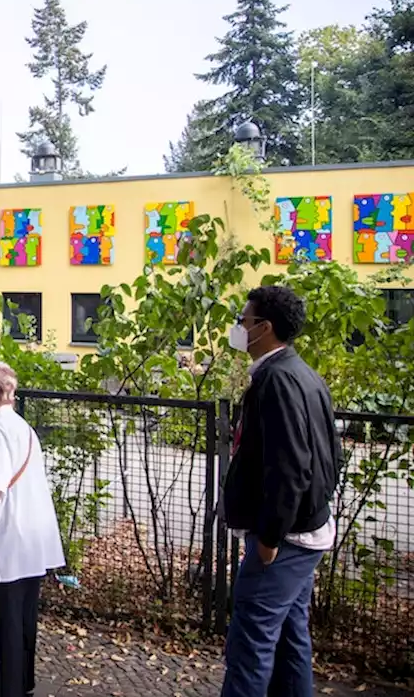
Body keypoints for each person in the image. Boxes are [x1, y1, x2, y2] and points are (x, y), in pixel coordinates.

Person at [221, 285, 342, 697]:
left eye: (244, 321)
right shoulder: (303, 374)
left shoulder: (277, 380)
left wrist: (271, 537)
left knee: (250, 646)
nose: (239, 328)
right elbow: (330, 453)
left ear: (264, 328)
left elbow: (289, 467)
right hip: (304, 532)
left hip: (285, 540)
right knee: (291, 641)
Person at [0, 361, 65, 697]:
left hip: (5, 536)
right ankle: (21, 680)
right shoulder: (23, 427)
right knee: (23, 615)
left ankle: (6, 687)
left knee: (3, 616)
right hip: (31, 536)